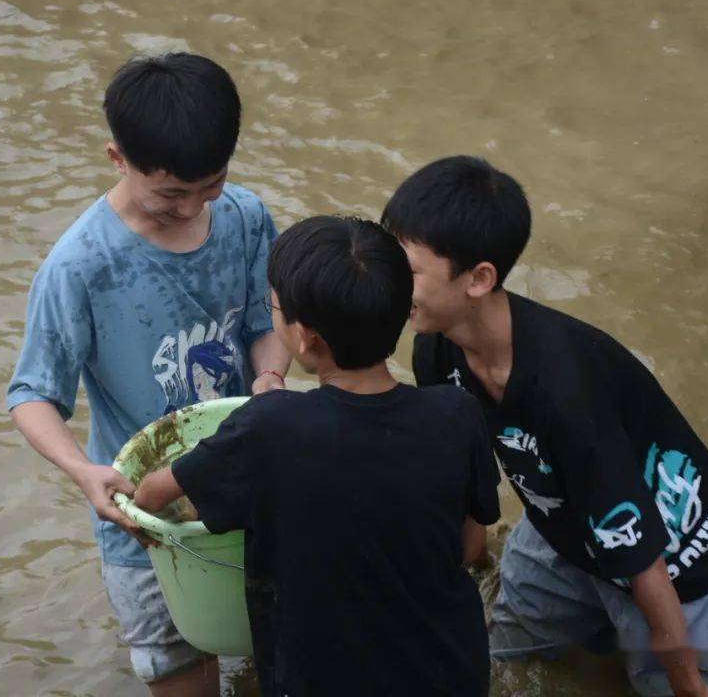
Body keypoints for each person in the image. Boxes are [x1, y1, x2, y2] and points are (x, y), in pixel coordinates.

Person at [382, 156, 708, 697]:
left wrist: (688, 687)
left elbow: (640, 554)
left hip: (671, 555)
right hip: (561, 525)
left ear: (479, 278)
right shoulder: (436, 350)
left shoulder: (567, 391)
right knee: (498, 654)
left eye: (405, 269)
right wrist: (473, 565)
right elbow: (462, 466)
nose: (387, 279)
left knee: (683, 687)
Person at [6, 53, 289, 696]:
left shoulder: (244, 216)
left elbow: (265, 320)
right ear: (117, 158)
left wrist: (271, 378)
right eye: (170, 193)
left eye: (210, 184)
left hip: (247, 480)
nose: (192, 207)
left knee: (276, 648)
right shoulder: (79, 266)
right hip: (144, 517)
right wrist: (83, 473)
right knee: (181, 669)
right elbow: (31, 394)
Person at [134, 215, 501, 697]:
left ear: (306, 339)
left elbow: (152, 495)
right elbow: (470, 548)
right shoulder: (457, 414)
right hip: (449, 670)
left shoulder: (267, 428)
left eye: (275, 308)